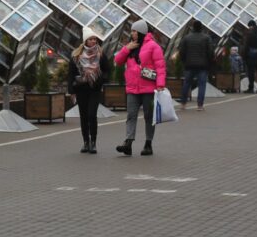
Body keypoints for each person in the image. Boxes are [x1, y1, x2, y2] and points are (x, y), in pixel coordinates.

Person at [114, 20, 166, 157]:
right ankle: (128, 143)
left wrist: (160, 85)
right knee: (131, 115)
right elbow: (118, 61)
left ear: (142, 32)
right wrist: (127, 48)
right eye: (131, 31)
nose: (132, 33)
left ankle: (148, 143)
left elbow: (160, 66)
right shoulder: (130, 46)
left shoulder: (153, 46)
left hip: (148, 88)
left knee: (149, 117)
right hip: (132, 88)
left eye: (134, 31)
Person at [68, 27, 110, 153]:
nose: (93, 41)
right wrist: (71, 91)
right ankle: (85, 142)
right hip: (81, 90)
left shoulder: (101, 55)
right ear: (85, 41)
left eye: (95, 39)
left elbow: (107, 71)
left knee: (92, 115)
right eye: (91, 39)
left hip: (95, 89)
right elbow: (70, 74)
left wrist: (99, 79)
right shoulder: (76, 56)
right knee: (84, 116)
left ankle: (93, 142)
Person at [177, 19, 214, 110]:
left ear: (193, 27)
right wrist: (209, 61)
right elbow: (210, 52)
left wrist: (184, 61)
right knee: (201, 84)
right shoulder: (206, 38)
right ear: (201, 28)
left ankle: (183, 103)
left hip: (189, 65)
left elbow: (182, 52)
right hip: (202, 65)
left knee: (187, 83)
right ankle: (200, 105)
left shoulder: (187, 38)